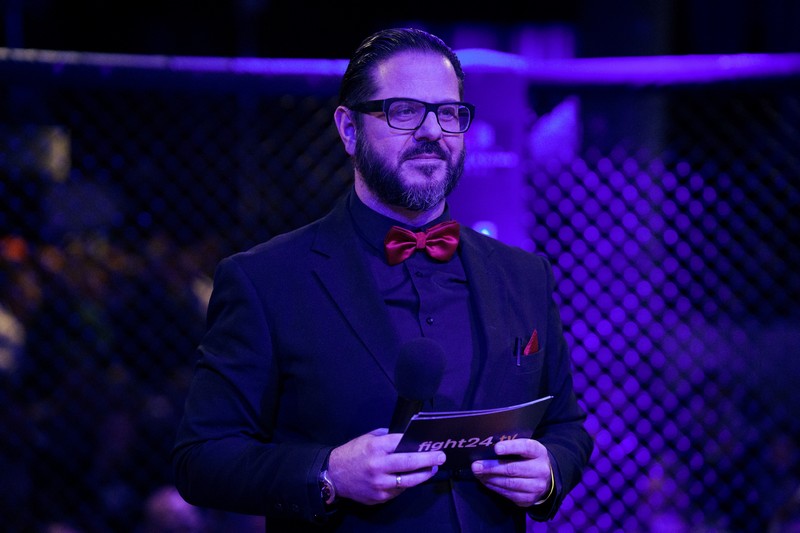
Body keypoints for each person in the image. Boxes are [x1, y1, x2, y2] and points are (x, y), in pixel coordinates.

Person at [172, 27, 593, 532]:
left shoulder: (524, 275)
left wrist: (549, 473)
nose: (432, 131)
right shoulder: (265, 280)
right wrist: (328, 473)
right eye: (404, 111)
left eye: (448, 113)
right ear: (349, 130)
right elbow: (201, 459)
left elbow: (566, 427)